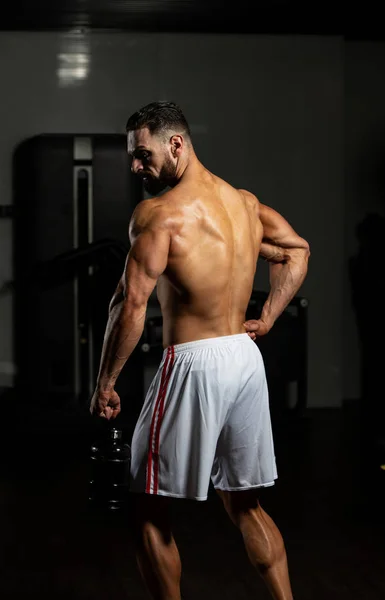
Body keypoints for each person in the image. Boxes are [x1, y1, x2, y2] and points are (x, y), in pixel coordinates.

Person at [90, 101, 310, 600]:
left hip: (194, 363)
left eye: (142, 156)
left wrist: (105, 383)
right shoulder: (245, 204)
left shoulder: (158, 215)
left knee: (147, 505)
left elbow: (130, 304)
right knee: (245, 504)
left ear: (176, 144)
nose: (135, 167)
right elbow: (297, 250)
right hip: (244, 359)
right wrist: (268, 317)